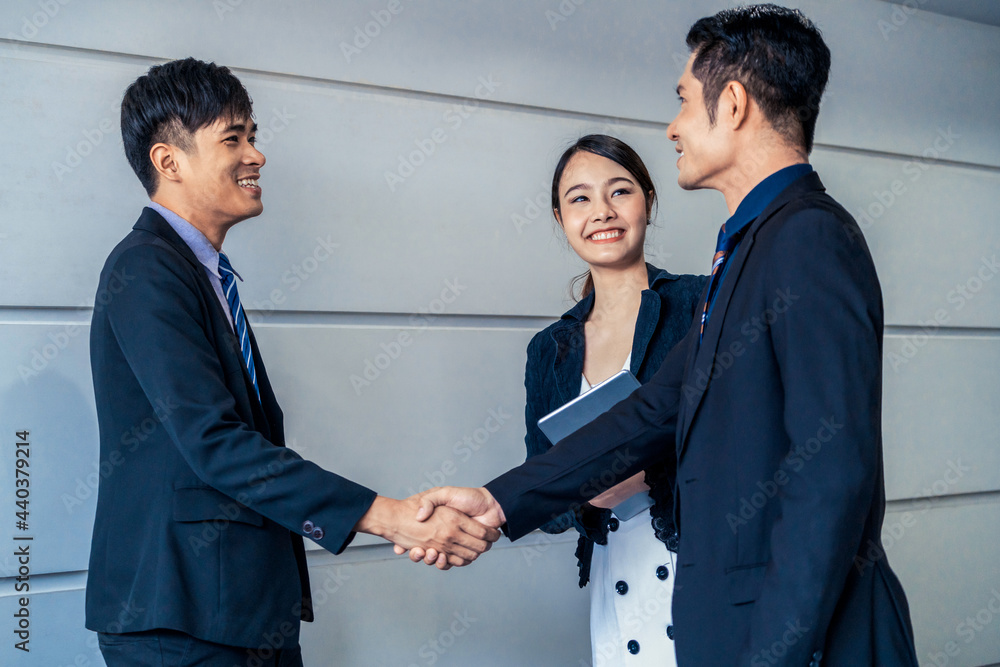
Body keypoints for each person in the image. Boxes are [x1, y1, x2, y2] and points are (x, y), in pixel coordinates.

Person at [407, 5, 919, 665]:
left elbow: (830, 475)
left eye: (682, 101)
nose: (674, 127)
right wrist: (498, 501)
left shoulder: (808, 238)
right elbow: (652, 411)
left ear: (731, 103)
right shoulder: (745, 251)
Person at [86, 57, 498, 666]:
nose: (255, 155)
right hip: (181, 620)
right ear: (168, 161)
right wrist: (388, 516)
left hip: (237, 614)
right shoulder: (147, 269)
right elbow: (216, 442)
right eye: (233, 138)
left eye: (253, 136)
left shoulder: (203, 274)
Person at [527, 135, 702, 665]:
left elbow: (746, 443)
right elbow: (541, 487)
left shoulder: (702, 302)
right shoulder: (550, 348)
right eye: (579, 198)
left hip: (703, 569)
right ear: (560, 218)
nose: (601, 212)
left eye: (619, 191)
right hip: (616, 578)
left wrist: (650, 473)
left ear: (648, 199)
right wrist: (583, 492)